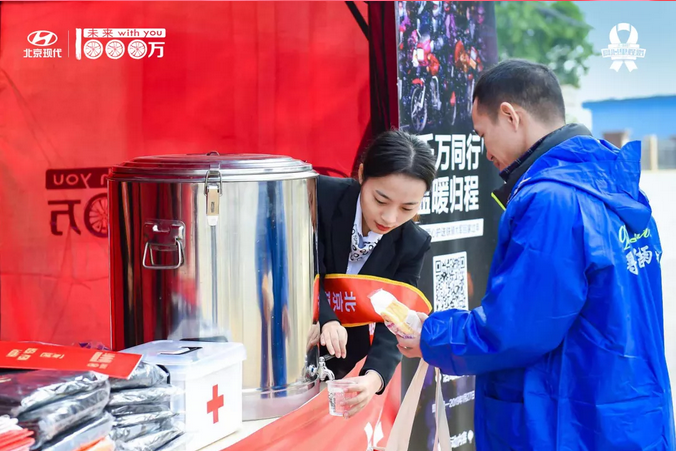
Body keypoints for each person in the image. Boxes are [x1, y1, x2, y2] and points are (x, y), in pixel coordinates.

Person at [398, 59, 675, 449]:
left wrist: (431, 335)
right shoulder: (615, 185)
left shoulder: (551, 200)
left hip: (572, 425)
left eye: (482, 134)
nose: (485, 151)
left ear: (510, 116)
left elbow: (512, 330)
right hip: (629, 417)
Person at [317, 129, 436, 418]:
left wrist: (373, 378)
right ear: (362, 175)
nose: (390, 218)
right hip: (290, 339)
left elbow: (396, 315)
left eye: (408, 208)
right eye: (380, 200)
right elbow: (302, 269)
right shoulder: (320, 196)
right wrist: (327, 318)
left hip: (342, 361)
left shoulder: (413, 242)